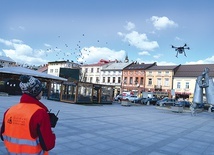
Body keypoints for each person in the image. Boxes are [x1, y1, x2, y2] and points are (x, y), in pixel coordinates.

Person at [0, 75, 56, 155]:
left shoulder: (9, 111)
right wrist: (51, 133)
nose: (42, 92)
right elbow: (48, 145)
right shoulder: (40, 113)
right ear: (36, 92)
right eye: (41, 90)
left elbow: (2, 136)